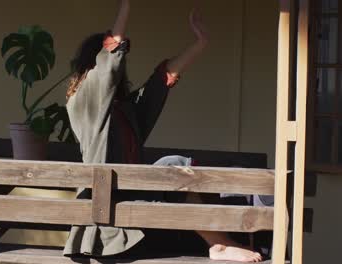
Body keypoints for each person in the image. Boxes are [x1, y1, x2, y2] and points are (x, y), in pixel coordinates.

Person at [64, 0, 262, 262]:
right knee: (172, 167)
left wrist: (199, 43)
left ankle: (219, 245)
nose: (120, 62)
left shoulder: (123, 111)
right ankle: (220, 245)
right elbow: (108, 63)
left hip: (132, 211)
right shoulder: (84, 103)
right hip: (108, 227)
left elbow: (160, 82)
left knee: (173, 166)